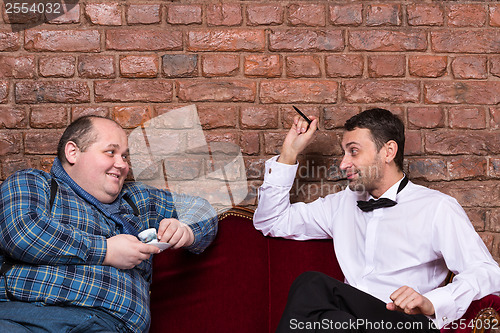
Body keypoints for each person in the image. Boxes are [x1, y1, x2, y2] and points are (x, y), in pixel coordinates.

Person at [253, 108, 500, 332]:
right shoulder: (341, 204)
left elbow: (487, 273)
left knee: (311, 285)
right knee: (329, 321)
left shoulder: (436, 207)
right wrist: (289, 152)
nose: (343, 163)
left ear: (388, 152)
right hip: (352, 321)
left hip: (405, 323)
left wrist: (431, 302)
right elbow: (272, 221)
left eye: (354, 151)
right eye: (344, 152)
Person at [0, 115, 218, 333]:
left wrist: (187, 230)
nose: (122, 164)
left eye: (124, 156)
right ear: (73, 152)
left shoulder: (137, 199)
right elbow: (22, 232)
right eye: (111, 152)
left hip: (109, 326)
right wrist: (106, 251)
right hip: (25, 316)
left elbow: (203, 210)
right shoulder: (35, 182)